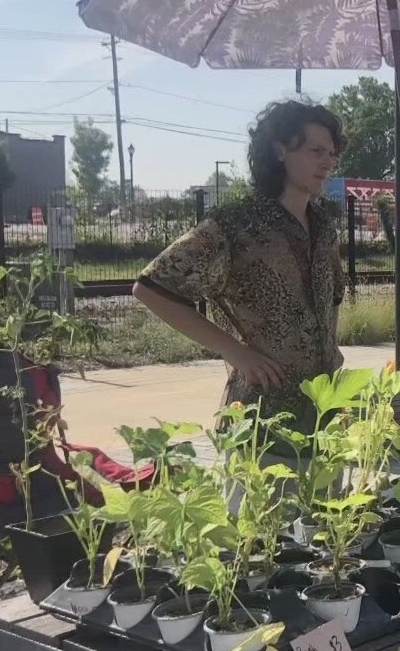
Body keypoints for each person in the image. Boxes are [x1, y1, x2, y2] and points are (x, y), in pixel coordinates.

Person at [132, 100, 346, 440]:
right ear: (280, 151)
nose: (328, 162)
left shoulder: (324, 228)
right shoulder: (236, 224)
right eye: (316, 151)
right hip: (261, 417)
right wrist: (235, 352)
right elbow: (152, 288)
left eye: (332, 154)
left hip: (323, 414)